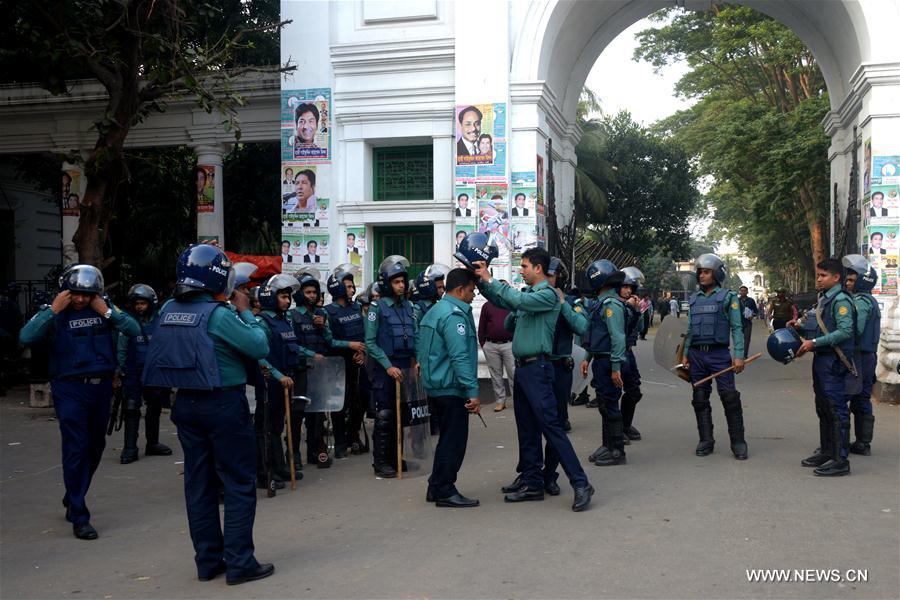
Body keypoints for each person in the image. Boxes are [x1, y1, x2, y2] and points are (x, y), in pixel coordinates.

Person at [142, 244, 273, 583]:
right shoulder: (219, 314)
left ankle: (208, 561)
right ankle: (240, 563)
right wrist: (244, 311)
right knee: (239, 483)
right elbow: (259, 345)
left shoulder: (169, 309)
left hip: (186, 404)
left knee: (199, 485)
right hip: (223, 404)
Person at [19, 265, 140, 540]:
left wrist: (106, 311)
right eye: (75, 294)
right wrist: (53, 310)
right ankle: (79, 514)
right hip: (69, 389)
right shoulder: (54, 312)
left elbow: (133, 328)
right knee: (76, 448)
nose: (81, 300)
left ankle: (74, 492)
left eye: (87, 295)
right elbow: (26, 337)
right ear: (65, 291)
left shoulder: (103, 309)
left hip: (100, 389)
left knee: (96, 446)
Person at [473, 247, 594, 512]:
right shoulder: (529, 295)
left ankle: (581, 483)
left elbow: (515, 302)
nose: (521, 270)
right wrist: (483, 281)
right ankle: (532, 482)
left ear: (538, 268)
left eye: (525, 266)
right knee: (526, 429)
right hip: (523, 369)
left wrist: (492, 280)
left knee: (552, 427)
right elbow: (504, 303)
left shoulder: (548, 295)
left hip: (538, 368)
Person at [420, 268, 482, 507]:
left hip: (436, 385)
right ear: (459, 289)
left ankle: (436, 485)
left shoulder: (435, 311)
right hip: (450, 387)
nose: (474, 294)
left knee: (446, 438)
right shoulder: (454, 316)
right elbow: (460, 357)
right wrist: (473, 392)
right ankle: (445, 489)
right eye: (471, 290)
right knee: (453, 441)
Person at [789, 258, 857, 477]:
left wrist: (814, 343)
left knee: (836, 409)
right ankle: (827, 451)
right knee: (823, 406)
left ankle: (840, 459)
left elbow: (845, 331)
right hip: (821, 360)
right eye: (818, 275)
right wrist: (800, 330)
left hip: (834, 362)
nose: (818, 279)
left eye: (823, 275)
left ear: (836, 277)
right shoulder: (824, 300)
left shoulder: (841, 301)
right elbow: (819, 328)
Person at [681, 254, 747, 460]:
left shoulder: (729, 298)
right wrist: (685, 355)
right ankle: (706, 441)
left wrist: (739, 356)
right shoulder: (694, 299)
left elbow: (737, 328)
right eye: (700, 272)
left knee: (729, 398)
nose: (701, 275)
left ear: (717, 274)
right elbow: (689, 330)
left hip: (719, 355)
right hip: (697, 356)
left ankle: (738, 442)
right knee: (699, 399)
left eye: (706, 272)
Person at [364, 256, 418, 478]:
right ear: (386, 283)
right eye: (396, 282)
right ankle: (381, 462)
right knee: (385, 415)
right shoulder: (377, 307)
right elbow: (370, 342)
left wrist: (417, 360)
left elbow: (416, 335)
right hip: (386, 369)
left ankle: (397, 456)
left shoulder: (408, 307)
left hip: (405, 367)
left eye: (403, 281)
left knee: (402, 415)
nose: (401, 285)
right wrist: (387, 366)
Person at [290, 271, 345, 468]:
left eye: (314, 292)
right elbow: (291, 344)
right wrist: (310, 354)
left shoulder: (322, 314)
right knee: (297, 414)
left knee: (318, 413)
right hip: (301, 370)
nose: (312, 295)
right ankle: (294, 453)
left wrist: (324, 327)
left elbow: (329, 341)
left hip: (320, 371)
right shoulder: (292, 315)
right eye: (308, 292)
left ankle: (315, 450)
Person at [255, 274, 303, 490]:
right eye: (283, 296)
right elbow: (259, 355)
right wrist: (277, 375)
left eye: (288, 297)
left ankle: (280, 466)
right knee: (266, 427)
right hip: (270, 383)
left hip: (284, 381)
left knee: (276, 426)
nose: (287, 301)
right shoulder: (263, 322)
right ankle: (266, 472)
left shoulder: (285, 320)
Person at [116, 284, 173, 464]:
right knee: (131, 408)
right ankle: (130, 448)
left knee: (154, 407)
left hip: (154, 372)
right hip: (133, 372)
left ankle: (152, 443)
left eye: (143, 303)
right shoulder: (128, 322)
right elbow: (122, 348)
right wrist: (119, 370)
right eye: (136, 303)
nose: (139, 306)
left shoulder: (160, 320)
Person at [580, 259, 628, 466]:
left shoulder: (611, 305)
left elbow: (618, 338)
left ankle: (617, 450)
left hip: (609, 361)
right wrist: (586, 358)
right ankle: (607, 445)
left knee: (610, 405)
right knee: (603, 404)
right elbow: (596, 335)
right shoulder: (600, 303)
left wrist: (616, 368)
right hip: (600, 360)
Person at [323, 266, 368, 458]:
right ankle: (341, 443)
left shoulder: (357, 308)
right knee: (339, 405)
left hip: (358, 363)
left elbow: (366, 334)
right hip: (338, 365)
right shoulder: (327, 312)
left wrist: (362, 351)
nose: (352, 289)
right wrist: (350, 345)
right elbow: (329, 341)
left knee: (360, 402)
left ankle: (353, 436)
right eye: (348, 286)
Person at [842, 255, 880, 457]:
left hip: (860, 357)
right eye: (847, 280)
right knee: (862, 398)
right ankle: (863, 443)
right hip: (867, 356)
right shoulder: (868, 300)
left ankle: (843, 442)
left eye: (851, 280)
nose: (847, 283)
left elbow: (854, 329)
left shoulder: (861, 302)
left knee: (846, 396)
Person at [619, 267, 645, 443]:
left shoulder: (631, 305)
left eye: (631, 287)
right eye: (625, 286)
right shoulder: (613, 305)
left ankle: (625, 425)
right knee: (611, 395)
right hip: (615, 353)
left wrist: (636, 311)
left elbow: (640, 329)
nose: (628, 290)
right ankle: (616, 431)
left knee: (634, 390)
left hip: (628, 352)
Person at [478, 293, 515, 413]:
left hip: (509, 344)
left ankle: (518, 400)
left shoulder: (512, 305)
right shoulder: (487, 306)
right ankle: (500, 401)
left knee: (513, 373)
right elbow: (481, 326)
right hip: (491, 345)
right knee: (496, 375)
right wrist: (483, 344)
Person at [737, 286, 758, 359]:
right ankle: (739, 354)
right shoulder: (736, 300)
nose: (743, 292)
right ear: (739, 292)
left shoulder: (751, 300)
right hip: (738, 323)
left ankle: (745, 355)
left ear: (747, 292)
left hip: (748, 322)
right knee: (738, 340)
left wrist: (752, 315)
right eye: (741, 291)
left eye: (744, 291)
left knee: (747, 339)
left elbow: (756, 311)